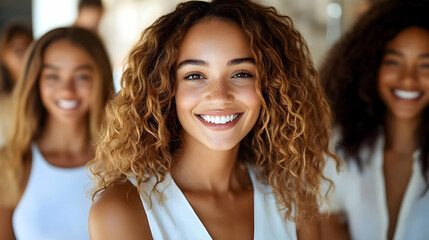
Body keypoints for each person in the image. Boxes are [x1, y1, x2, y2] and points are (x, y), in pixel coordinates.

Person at [88, 0, 339, 239]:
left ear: (271, 87)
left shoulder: (294, 204)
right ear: (165, 89)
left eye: (241, 73)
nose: (219, 97)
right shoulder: (124, 210)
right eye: (195, 75)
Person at [319, 0, 429, 239]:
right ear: (370, 67)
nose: (408, 79)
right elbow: (325, 219)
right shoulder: (340, 149)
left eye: (425, 65)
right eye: (394, 62)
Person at [0, 27, 114, 240]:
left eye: (82, 76)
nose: (67, 90)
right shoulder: (10, 164)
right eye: (53, 76)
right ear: (35, 81)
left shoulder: (127, 161)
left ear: (101, 78)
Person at [0, 21, 33, 146]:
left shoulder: (47, 95)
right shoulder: (2, 103)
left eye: (29, 49)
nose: (25, 56)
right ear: (4, 56)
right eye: (18, 51)